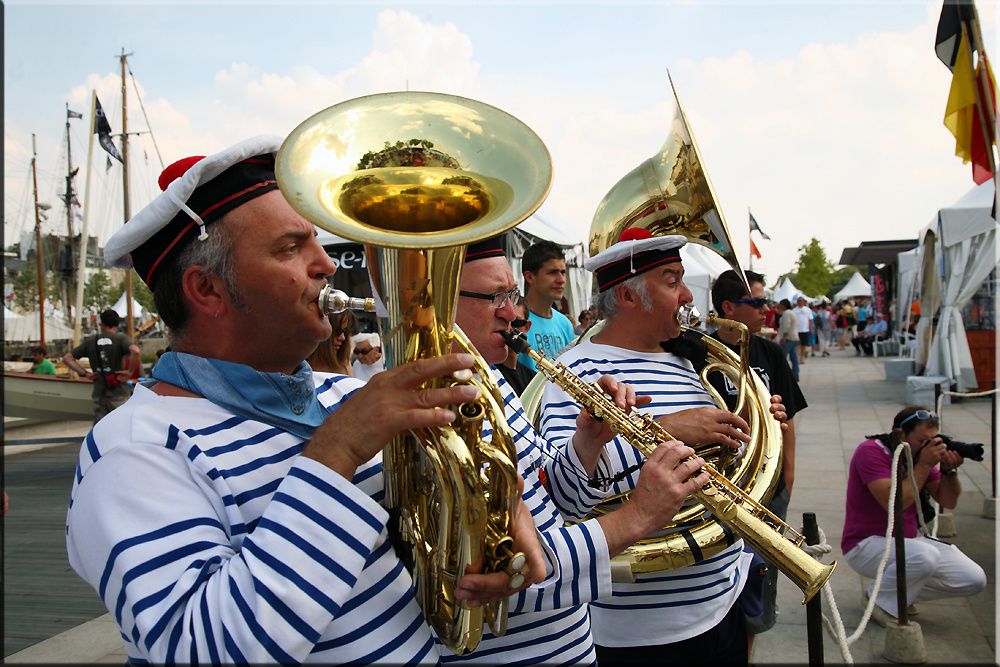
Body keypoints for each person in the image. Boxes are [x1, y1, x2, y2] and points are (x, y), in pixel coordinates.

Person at [65, 137, 547, 664]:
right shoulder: (135, 449)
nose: (326, 265)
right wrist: (336, 451)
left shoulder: (347, 394)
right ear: (207, 290)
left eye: (316, 242)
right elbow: (200, 649)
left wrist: (492, 522)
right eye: (291, 248)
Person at [445, 234, 710, 664]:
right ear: (438, 302)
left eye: (511, 295)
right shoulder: (427, 408)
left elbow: (560, 506)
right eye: (496, 297)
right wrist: (639, 515)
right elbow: (498, 578)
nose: (513, 314)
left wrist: (588, 443)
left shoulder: (488, 381)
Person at [539, 229, 789, 665]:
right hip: (637, 632)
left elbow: (720, 463)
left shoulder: (688, 362)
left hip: (721, 602)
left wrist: (750, 428)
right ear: (630, 296)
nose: (688, 294)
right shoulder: (576, 369)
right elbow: (566, 494)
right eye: (672, 281)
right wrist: (670, 429)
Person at [709, 269, 808, 652]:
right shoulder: (699, 351)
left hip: (767, 487)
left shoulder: (770, 352)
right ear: (729, 308)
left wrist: (788, 477)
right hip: (723, 486)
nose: (767, 309)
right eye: (758, 303)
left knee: (757, 584)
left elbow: (789, 421)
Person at [842, 406, 986, 625]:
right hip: (864, 545)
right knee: (925, 557)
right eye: (922, 441)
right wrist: (925, 464)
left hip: (911, 541)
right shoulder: (871, 451)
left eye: (933, 441)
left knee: (973, 578)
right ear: (901, 435)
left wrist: (949, 471)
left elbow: (948, 501)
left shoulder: (918, 457)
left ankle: (899, 595)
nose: (928, 447)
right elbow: (895, 504)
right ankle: (879, 600)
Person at [63, 308, 140, 423]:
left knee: (100, 430)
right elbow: (136, 351)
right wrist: (129, 371)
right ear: (117, 324)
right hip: (118, 392)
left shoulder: (91, 341)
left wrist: (84, 373)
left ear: (101, 323)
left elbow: (67, 358)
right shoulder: (120, 339)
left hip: (99, 394)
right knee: (122, 426)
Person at [517, 240, 575, 371]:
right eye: (553, 272)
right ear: (530, 277)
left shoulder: (565, 324)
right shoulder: (515, 322)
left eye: (563, 272)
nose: (561, 280)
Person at [496, 300, 537, 396]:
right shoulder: (489, 373)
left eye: (516, 322)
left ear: (527, 327)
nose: (508, 328)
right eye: (504, 321)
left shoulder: (533, 379)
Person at [307, 308, 357, 374]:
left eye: (345, 332)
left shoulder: (345, 366)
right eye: (337, 331)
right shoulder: (297, 368)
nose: (342, 337)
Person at [777, 299, 800, 381]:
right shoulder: (792, 312)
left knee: (782, 356)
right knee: (794, 357)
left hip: (788, 338)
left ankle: (783, 374)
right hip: (794, 337)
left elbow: (787, 325)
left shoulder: (786, 313)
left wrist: (784, 337)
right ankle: (795, 374)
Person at [792, 296, 813, 363]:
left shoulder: (807, 310)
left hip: (805, 330)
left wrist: (810, 327)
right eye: (799, 301)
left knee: (804, 345)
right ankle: (798, 357)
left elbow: (810, 319)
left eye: (801, 301)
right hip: (796, 330)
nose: (800, 302)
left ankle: (802, 357)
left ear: (804, 302)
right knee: (798, 345)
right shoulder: (794, 310)